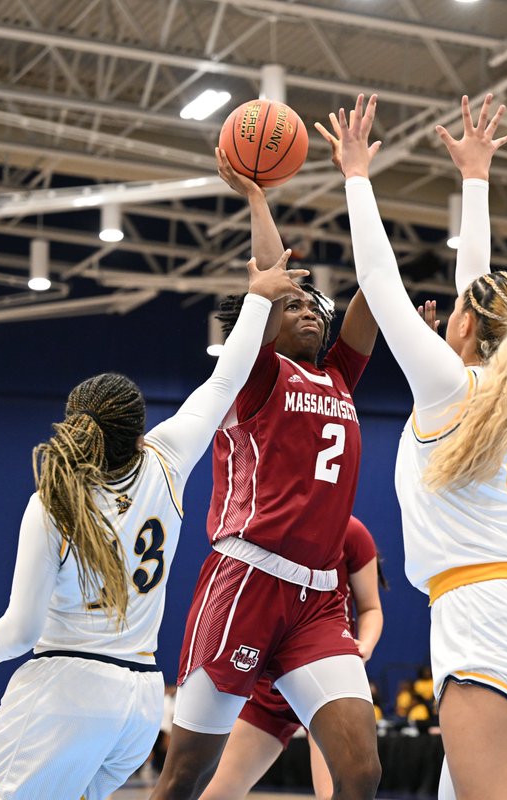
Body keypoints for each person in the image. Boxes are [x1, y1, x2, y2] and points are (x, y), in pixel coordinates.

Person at [0, 252, 308, 800]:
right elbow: (225, 381)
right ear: (138, 424)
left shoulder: (54, 498)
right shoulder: (166, 461)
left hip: (66, 686)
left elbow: (23, 629)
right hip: (141, 700)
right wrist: (257, 299)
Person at [332, 92, 507, 800]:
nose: (451, 308)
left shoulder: (456, 388)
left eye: (459, 308)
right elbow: (482, 288)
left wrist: (354, 176)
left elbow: (378, 280)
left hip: (487, 617)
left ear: (464, 328)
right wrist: (475, 179)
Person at [151, 150, 381, 800]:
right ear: (268, 324)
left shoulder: (339, 374)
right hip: (248, 580)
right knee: (184, 777)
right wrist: (258, 199)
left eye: (316, 307)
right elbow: (272, 280)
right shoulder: (257, 374)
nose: (309, 310)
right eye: (295, 305)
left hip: (318, 601)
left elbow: (374, 291)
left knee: (361, 771)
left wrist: (362, 192)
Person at [198, 515, 384, 800]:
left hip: (327, 676)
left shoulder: (351, 531)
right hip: (271, 682)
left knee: (344, 789)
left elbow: (371, 607)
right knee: (212, 793)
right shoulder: (263, 525)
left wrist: (366, 644)